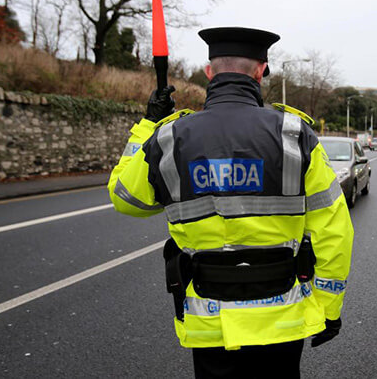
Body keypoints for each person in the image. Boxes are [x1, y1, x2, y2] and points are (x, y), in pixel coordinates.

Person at [107, 27, 354, 378]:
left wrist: (148, 125)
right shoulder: (294, 135)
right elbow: (334, 231)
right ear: (260, 71)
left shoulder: (169, 137)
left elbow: (125, 198)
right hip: (281, 318)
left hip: (210, 320)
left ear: (210, 72)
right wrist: (329, 308)